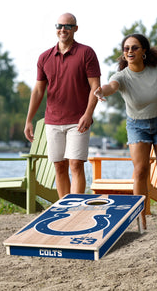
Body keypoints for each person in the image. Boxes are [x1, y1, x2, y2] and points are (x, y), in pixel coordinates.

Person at [94, 34, 157, 229]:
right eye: (126, 49)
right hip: (137, 126)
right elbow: (111, 87)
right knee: (140, 170)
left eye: (134, 48)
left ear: (143, 51)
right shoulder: (121, 76)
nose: (130, 51)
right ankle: (141, 218)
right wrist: (101, 91)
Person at [24, 13, 101, 199]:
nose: (63, 29)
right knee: (59, 166)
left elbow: (95, 87)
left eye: (68, 26)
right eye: (59, 25)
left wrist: (88, 114)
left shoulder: (86, 53)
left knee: (75, 164)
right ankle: (64, 209)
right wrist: (28, 121)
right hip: (53, 121)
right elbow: (38, 91)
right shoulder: (45, 57)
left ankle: (76, 209)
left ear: (75, 28)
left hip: (78, 120)